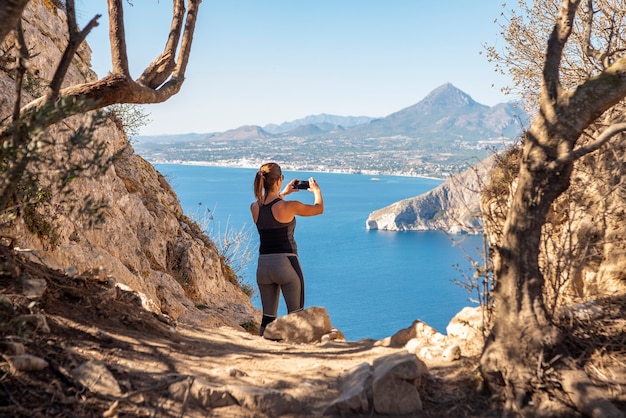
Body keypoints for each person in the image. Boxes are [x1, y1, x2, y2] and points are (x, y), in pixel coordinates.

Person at [250, 162, 324, 336]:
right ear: (278, 181)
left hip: (263, 267)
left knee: (268, 318)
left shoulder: (254, 207)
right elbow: (319, 209)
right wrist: (317, 191)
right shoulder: (289, 206)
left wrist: (283, 193)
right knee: (297, 316)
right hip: (286, 265)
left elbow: (269, 205)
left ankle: (262, 353)